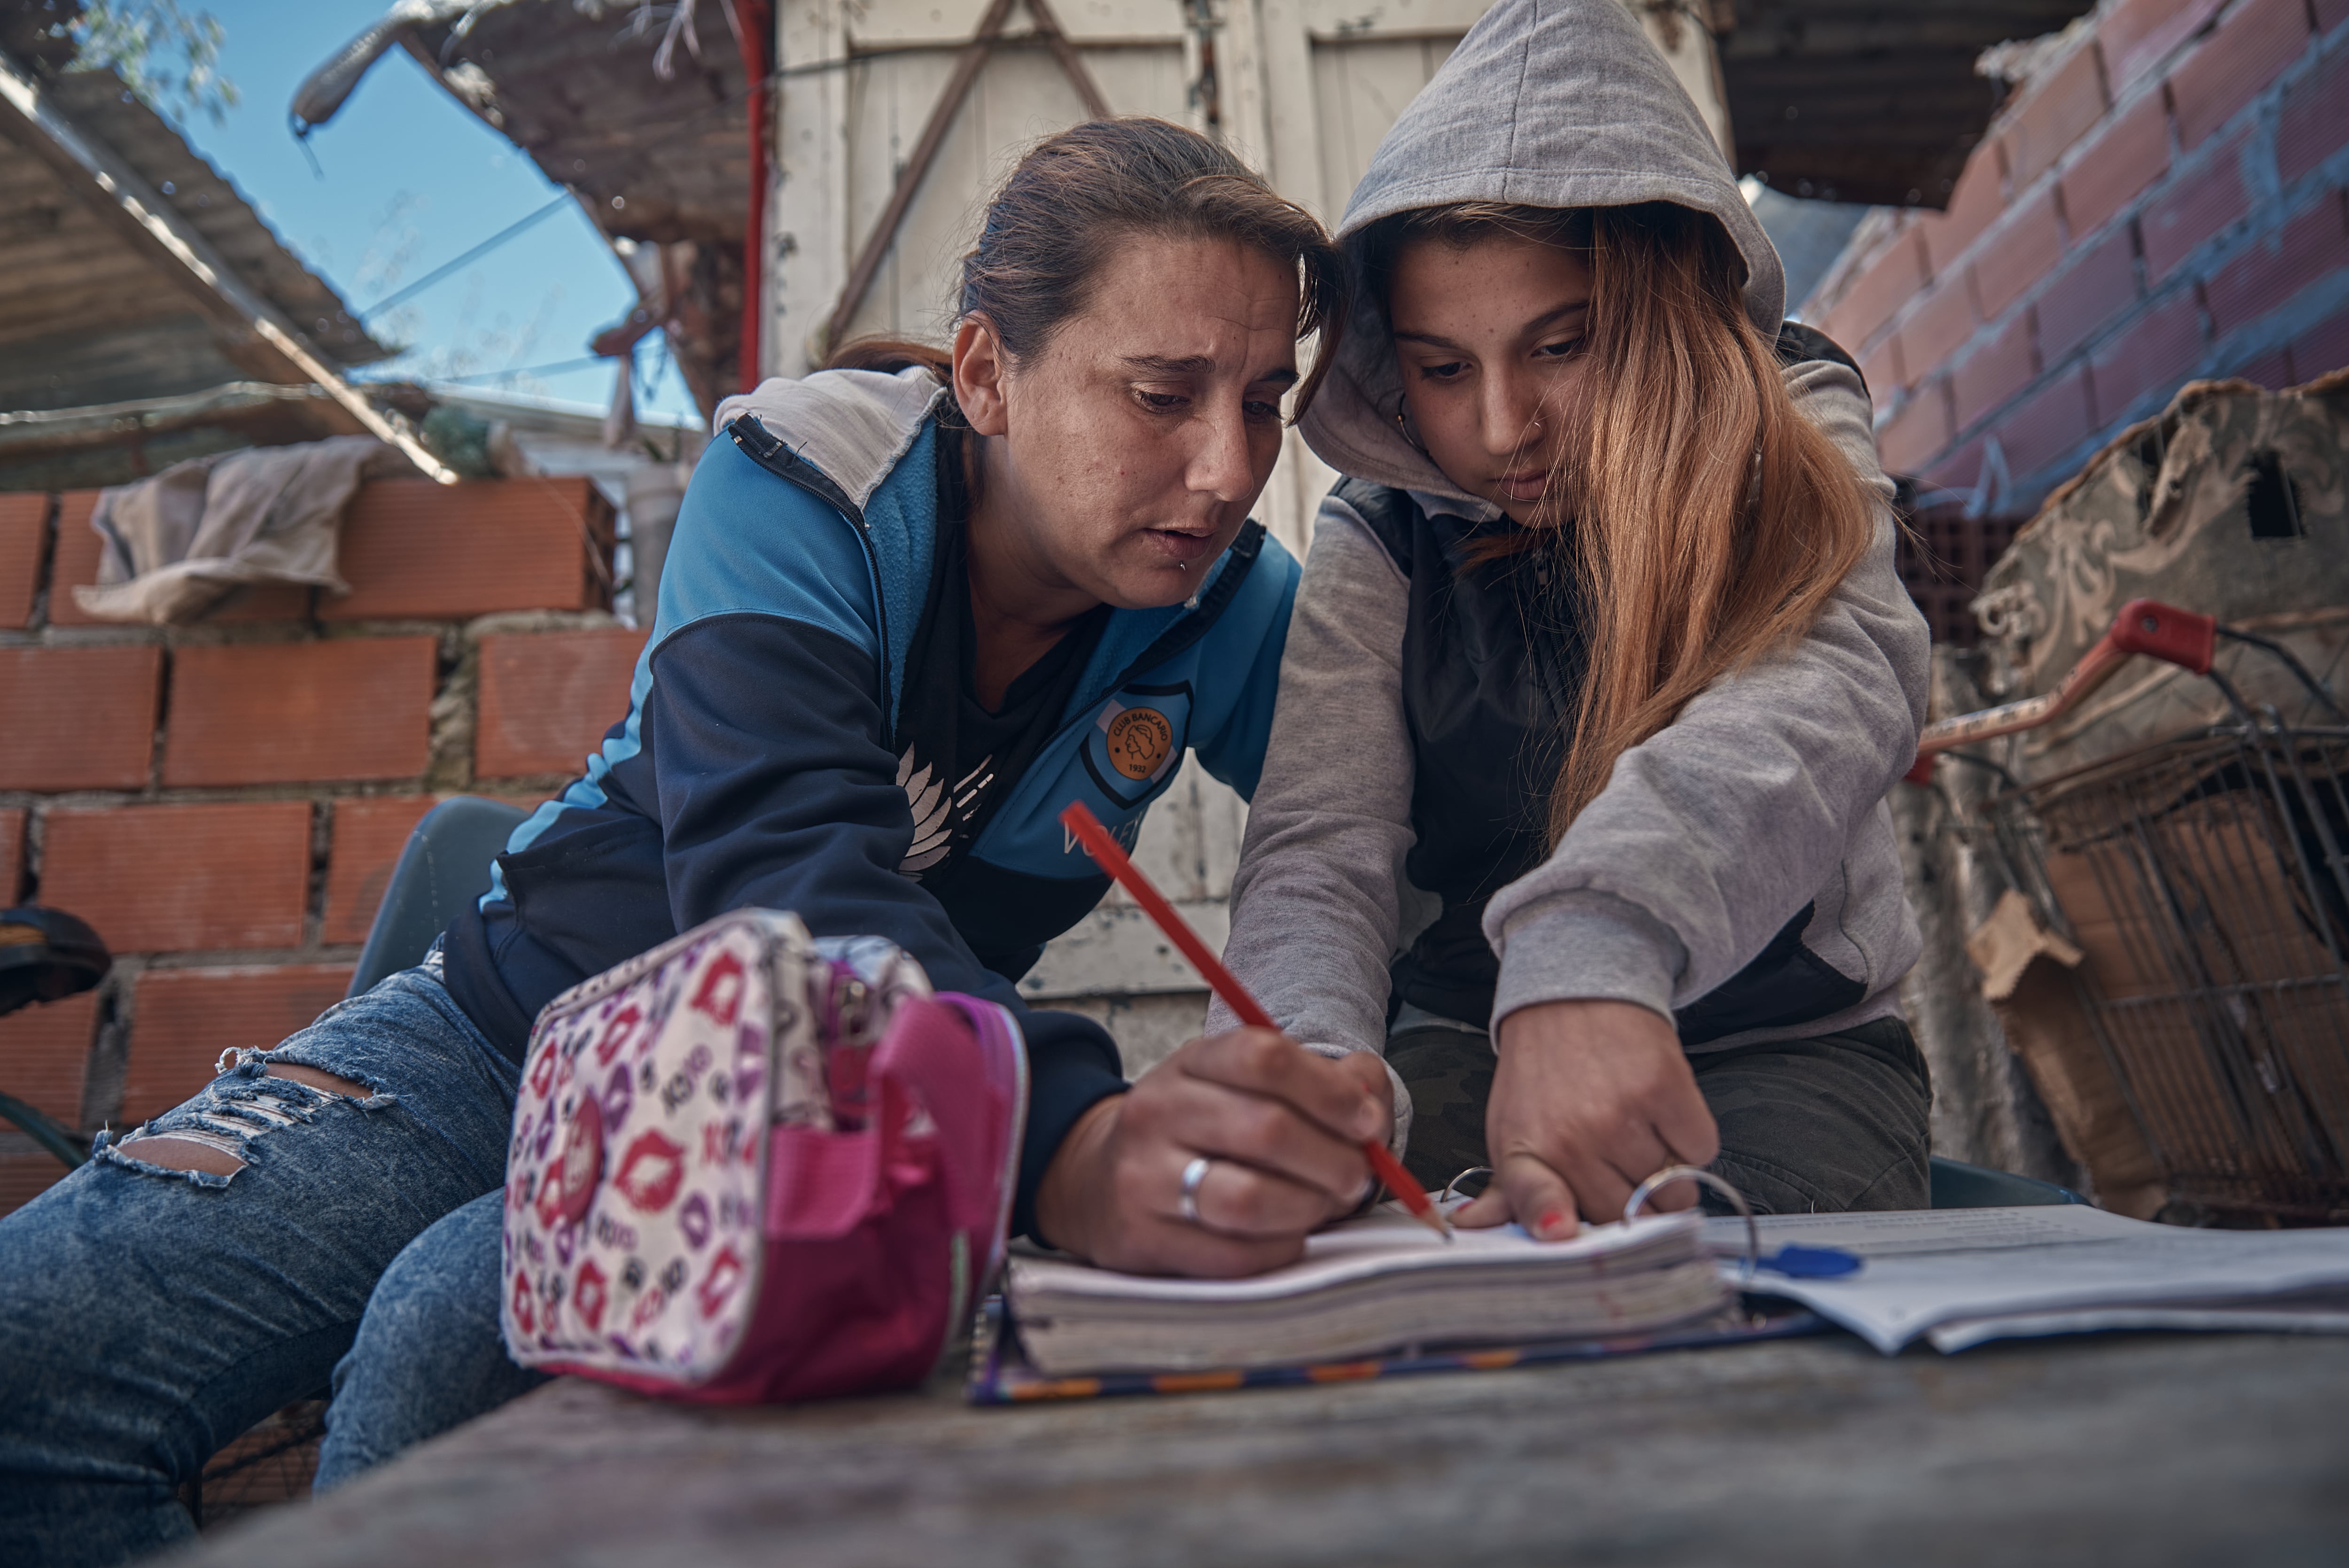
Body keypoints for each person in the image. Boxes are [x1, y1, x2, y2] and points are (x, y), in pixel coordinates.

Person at [0, 118, 1397, 1567]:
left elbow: (1382, 835)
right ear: (988, 374)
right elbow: (786, 884)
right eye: (1164, 394)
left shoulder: (1227, 607)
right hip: (501, 1043)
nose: (1230, 469)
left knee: (446, 1339)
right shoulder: (803, 476)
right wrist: (1075, 1140)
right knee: (27, 1365)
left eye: (1262, 400)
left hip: (837, 1122)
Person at [1215, 0, 1934, 1241]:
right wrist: (1308, 1066)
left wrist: (1598, 940)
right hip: (1458, 1044)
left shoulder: (1797, 425)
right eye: (1442, 369)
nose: (1501, 428)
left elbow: (1832, 685)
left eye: (1565, 343)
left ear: (1662, 309)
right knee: (1355, 1249)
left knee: (1714, 1284)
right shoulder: (1383, 530)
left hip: (1783, 1051)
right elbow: (1318, 852)